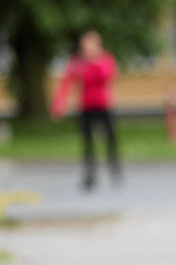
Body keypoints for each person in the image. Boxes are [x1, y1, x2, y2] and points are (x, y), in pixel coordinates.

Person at [50, 30, 122, 191]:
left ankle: (115, 171)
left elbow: (106, 77)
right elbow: (67, 82)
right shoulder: (77, 62)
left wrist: (95, 63)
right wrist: (59, 103)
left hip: (104, 105)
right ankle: (90, 175)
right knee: (87, 143)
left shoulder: (106, 59)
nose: (88, 51)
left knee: (110, 139)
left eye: (91, 47)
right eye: (85, 48)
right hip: (86, 106)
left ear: (98, 46)